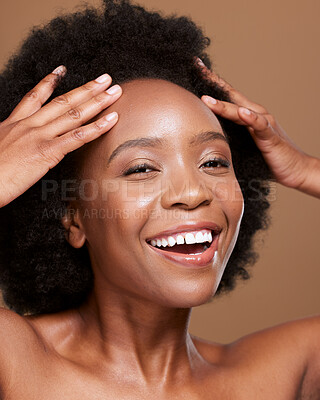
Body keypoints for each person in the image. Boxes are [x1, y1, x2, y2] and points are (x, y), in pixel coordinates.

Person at [0, 0, 319, 398]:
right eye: (141, 169)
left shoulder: (277, 374)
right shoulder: (16, 362)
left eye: (215, 161)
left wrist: (307, 170)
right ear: (72, 217)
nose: (192, 192)